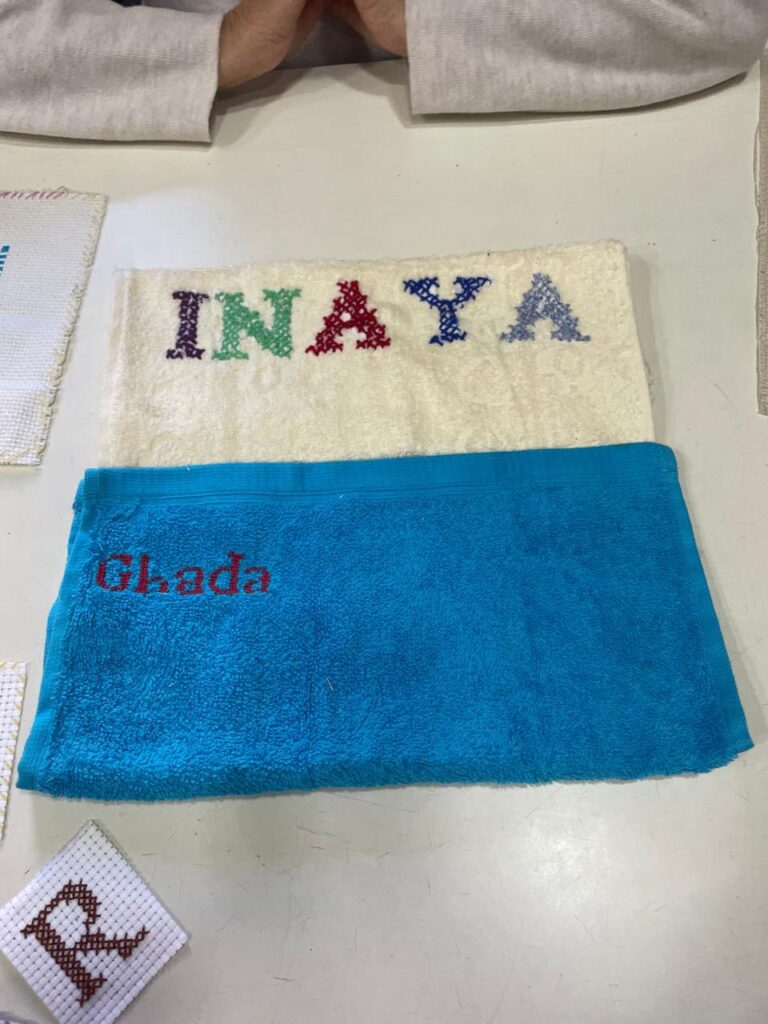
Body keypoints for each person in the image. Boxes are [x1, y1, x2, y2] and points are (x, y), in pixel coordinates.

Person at [1, 0, 767, 142]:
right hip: (197, 132)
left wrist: (435, 22)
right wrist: (207, 51)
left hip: (530, 135)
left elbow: (720, 18)